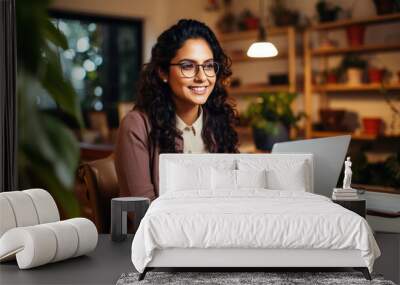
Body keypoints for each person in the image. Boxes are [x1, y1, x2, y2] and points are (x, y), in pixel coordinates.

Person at [115, 19, 239, 201]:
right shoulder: (136, 125)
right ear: (163, 72)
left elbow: (233, 193)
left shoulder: (218, 121)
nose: (202, 77)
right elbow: (143, 212)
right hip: (160, 228)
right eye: (187, 66)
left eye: (209, 65)